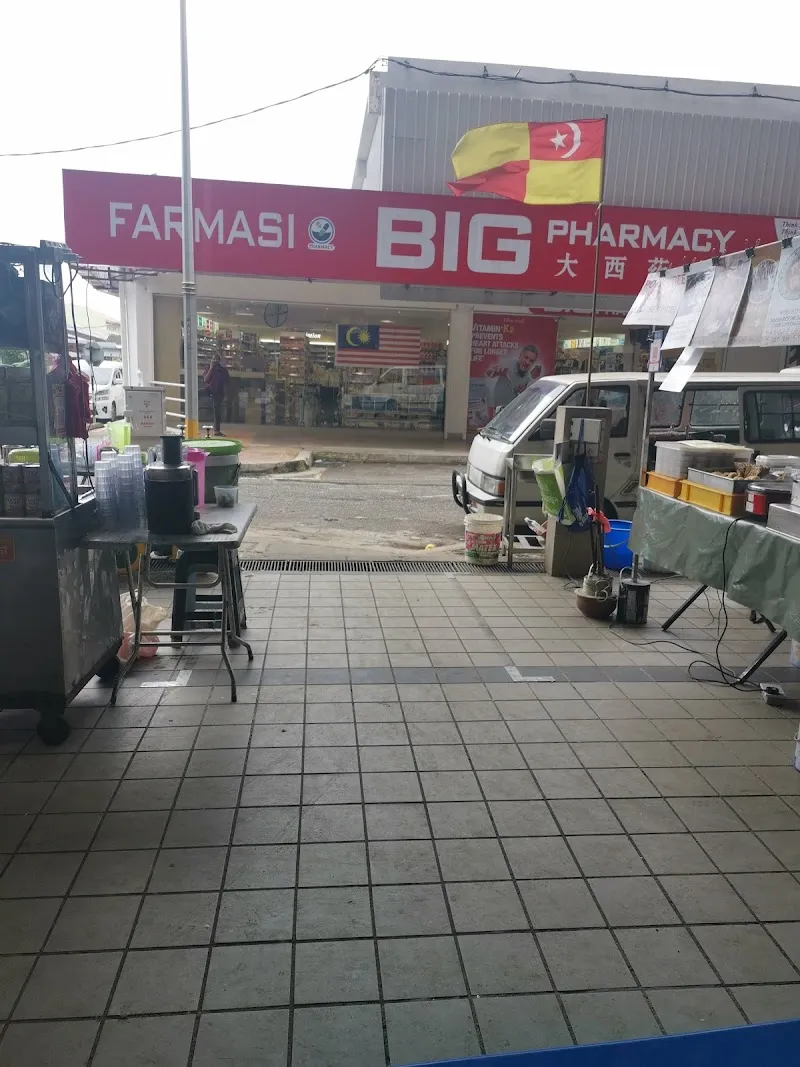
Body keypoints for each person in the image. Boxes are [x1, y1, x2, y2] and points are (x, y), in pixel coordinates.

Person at [204, 353, 230, 436]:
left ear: (219, 361)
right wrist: (211, 369)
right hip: (209, 390)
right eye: (213, 359)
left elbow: (226, 384)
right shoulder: (208, 368)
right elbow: (206, 380)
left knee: (217, 411)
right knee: (198, 394)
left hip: (218, 393)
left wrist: (226, 396)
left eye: (216, 359)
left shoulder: (223, 371)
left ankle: (216, 430)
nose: (214, 361)